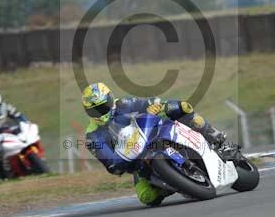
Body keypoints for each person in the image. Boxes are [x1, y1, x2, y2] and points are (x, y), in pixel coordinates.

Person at [82, 82, 229, 207]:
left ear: (110, 99)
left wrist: (157, 106)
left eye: (101, 107)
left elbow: (147, 103)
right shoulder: (92, 136)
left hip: (155, 134)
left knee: (183, 107)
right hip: (137, 161)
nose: (98, 113)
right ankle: (172, 184)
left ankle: (216, 138)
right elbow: (108, 162)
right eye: (93, 111)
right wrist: (115, 165)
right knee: (146, 197)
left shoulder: (123, 104)